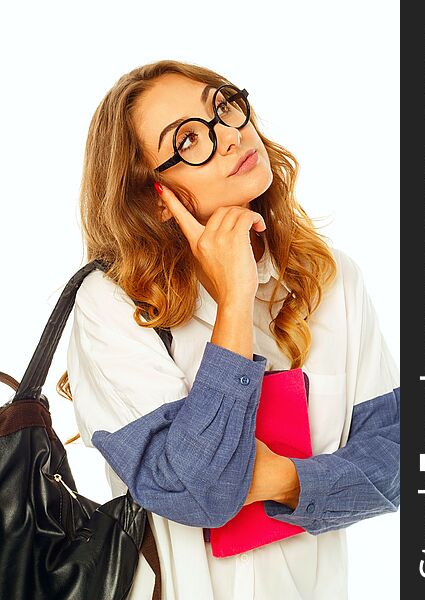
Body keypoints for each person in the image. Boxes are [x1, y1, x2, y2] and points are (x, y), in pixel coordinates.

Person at [60, 59, 400, 600]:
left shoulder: (330, 277)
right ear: (157, 197)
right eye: (190, 139)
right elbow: (201, 495)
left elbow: (401, 462)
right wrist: (235, 301)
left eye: (223, 107)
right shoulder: (112, 305)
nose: (229, 135)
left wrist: (283, 480)